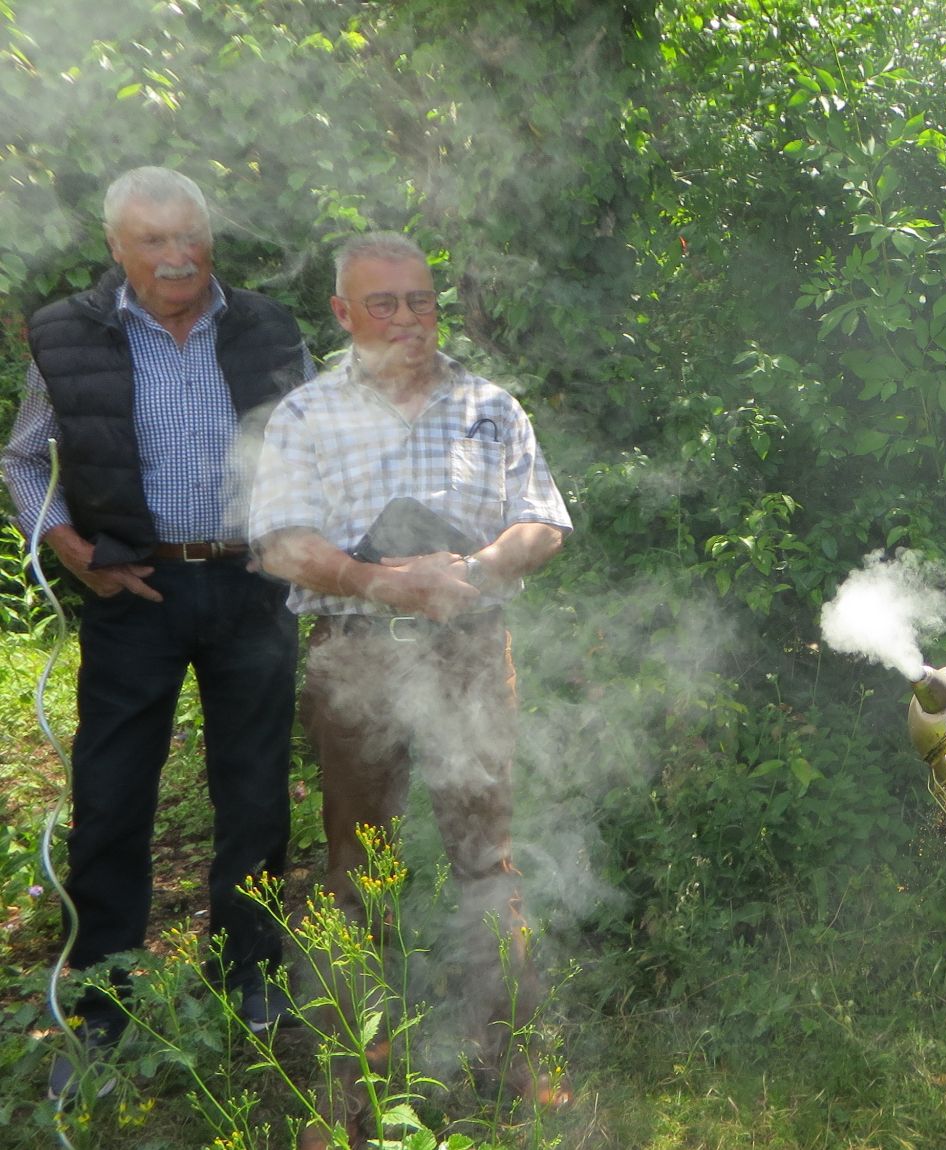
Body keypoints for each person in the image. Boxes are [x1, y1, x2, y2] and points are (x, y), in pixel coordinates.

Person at [248, 231, 571, 1147]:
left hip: (470, 649)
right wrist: (384, 582)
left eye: (420, 301)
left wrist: (475, 566)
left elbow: (542, 521)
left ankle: (511, 1058)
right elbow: (280, 543)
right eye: (382, 304)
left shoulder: (489, 406)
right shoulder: (307, 416)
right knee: (356, 870)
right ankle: (348, 1086)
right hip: (358, 652)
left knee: (486, 858)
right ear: (343, 313)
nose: (406, 320)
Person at [3, 166, 311, 1098]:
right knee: (110, 795)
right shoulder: (65, 334)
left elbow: (314, 438)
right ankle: (103, 999)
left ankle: (249, 973)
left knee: (255, 792)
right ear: (115, 246)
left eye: (191, 236)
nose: (177, 257)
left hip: (251, 586)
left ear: (211, 236)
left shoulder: (267, 326)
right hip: (133, 590)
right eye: (153, 240)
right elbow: (20, 460)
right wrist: (67, 546)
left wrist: (305, 538)